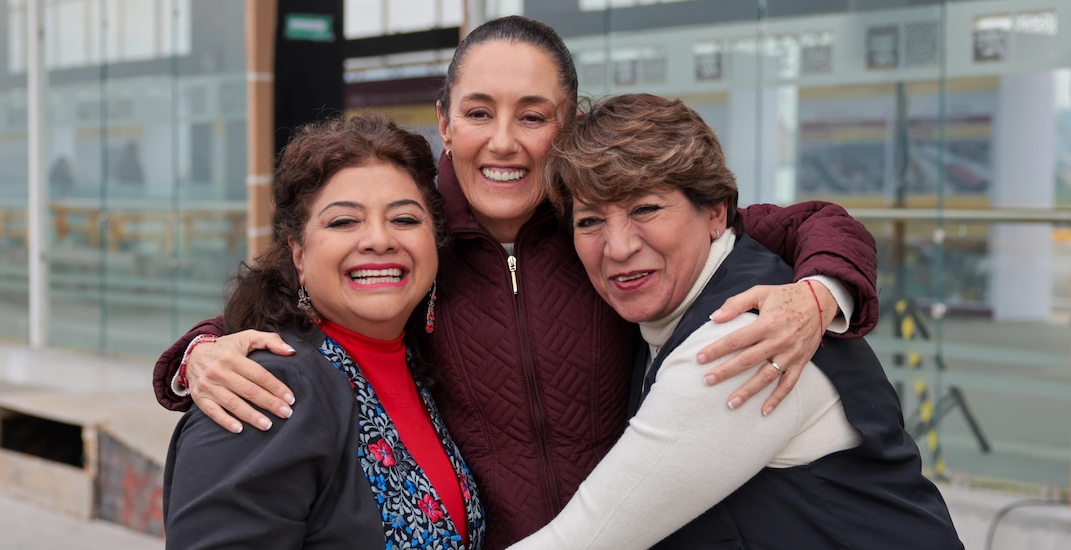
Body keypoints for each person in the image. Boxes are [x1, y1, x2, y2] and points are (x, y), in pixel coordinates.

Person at [152, 16, 881, 548]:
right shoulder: (414, 229)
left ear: (566, 128)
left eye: (533, 117)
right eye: (478, 113)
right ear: (445, 121)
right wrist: (201, 352)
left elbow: (807, 220)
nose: (503, 142)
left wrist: (817, 295)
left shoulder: (600, 223)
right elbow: (306, 283)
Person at [507, 93, 961, 549]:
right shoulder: (701, 290)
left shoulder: (740, 340)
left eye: (645, 208)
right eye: (589, 221)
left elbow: (582, 541)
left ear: (716, 213)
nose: (619, 247)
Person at [162, 114, 485, 549]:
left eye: (405, 219)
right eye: (343, 222)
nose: (379, 239)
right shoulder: (263, 390)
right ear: (298, 253)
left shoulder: (423, 362)